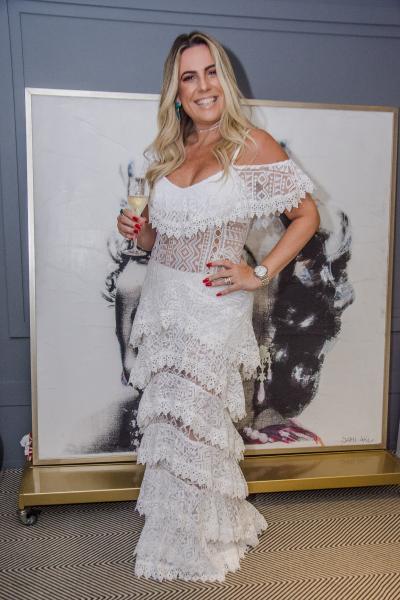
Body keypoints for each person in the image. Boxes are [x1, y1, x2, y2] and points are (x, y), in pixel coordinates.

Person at [117, 30, 320, 582]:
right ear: (177, 92)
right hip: (163, 298)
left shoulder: (252, 144)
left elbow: (306, 217)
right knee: (170, 421)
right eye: (190, 76)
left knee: (199, 422)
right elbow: (161, 241)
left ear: (224, 82)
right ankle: (175, 527)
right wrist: (139, 233)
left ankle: (199, 538)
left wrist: (259, 272)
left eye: (211, 73)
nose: (203, 85)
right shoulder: (170, 149)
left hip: (212, 305)